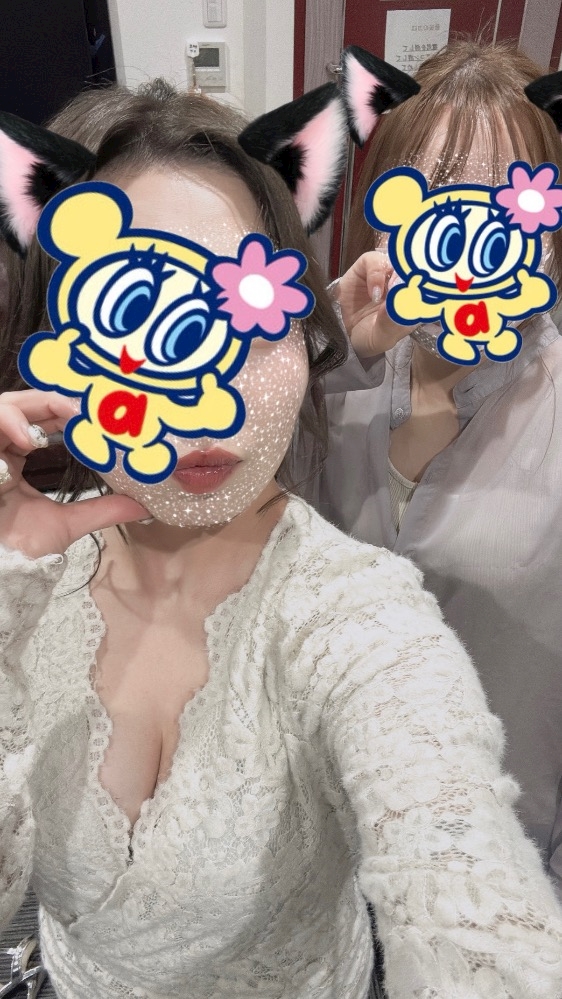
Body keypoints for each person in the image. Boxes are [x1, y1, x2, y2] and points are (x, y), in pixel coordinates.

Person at [1, 79, 562, 999]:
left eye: (250, 318)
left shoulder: (358, 620)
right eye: (136, 322)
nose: (204, 399)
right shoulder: (26, 564)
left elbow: (469, 904)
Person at [298, 38, 562, 896]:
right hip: (321, 843)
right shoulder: (327, 373)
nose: (467, 233)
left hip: (492, 858)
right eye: (433, 196)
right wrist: (319, 356)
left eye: (507, 202)